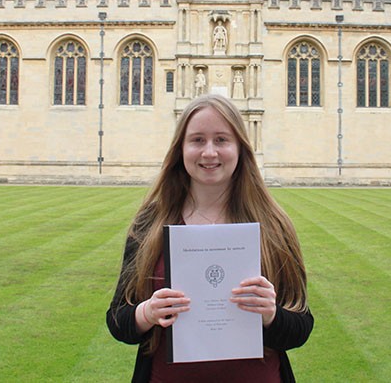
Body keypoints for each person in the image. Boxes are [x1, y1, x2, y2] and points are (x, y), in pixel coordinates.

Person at [107, 94, 313, 382]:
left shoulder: (274, 225)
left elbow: (301, 327)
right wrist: (148, 312)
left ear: (240, 147)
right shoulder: (148, 224)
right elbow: (118, 321)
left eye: (221, 140)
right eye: (197, 140)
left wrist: (270, 314)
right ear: (180, 149)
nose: (209, 153)